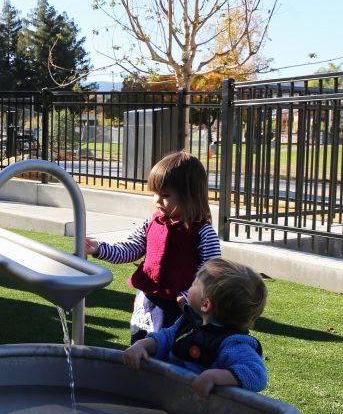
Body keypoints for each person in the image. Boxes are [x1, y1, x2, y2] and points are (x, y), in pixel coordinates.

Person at [85, 151, 221, 343]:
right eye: (155, 194)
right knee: (140, 344)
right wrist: (99, 248)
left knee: (167, 352)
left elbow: (211, 271)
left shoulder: (202, 232)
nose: (157, 201)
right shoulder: (152, 222)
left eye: (165, 195)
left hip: (178, 307)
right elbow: (129, 249)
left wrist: (188, 295)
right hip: (147, 299)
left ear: (190, 196)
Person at [121, 258, 268, 397]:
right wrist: (141, 345)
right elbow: (166, 337)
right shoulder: (189, 321)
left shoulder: (232, 343)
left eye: (194, 284)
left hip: (203, 411)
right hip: (171, 395)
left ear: (205, 305)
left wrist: (215, 377)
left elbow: (257, 374)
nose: (190, 285)